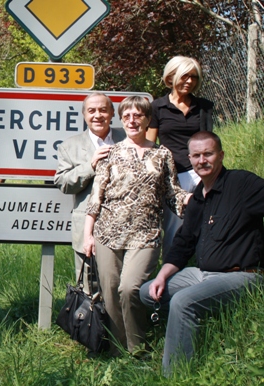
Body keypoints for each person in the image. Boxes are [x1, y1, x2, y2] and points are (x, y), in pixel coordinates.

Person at [140, 131, 264, 376]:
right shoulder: (198, 196)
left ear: (221, 155)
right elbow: (184, 243)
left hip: (242, 276)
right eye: (196, 155)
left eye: (208, 154)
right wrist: (162, 277)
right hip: (201, 273)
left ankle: (175, 374)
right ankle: (194, 329)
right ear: (190, 158)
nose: (202, 160)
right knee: (147, 292)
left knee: (183, 302)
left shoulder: (242, 184)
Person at [83, 96, 190, 355]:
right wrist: (88, 234)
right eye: (127, 116)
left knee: (130, 287)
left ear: (147, 120)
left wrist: (191, 202)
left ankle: (138, 347)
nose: (132, 120)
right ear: (122, 119)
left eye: (138, 115)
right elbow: (96, 197)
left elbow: (171, 193)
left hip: (146, 233)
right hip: (108, 232)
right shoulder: (111, 153)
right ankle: (117, 349)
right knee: (109, 290)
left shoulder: (162, 154)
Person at [55, 93, 125, 294]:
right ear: (84, 115)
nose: (98, 115)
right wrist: (91, 165)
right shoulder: (70, 146)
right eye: (92, 111)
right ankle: (91, 325)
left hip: (124, 226)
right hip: (87, 229)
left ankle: (118, 325)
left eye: (103, 110)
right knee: (90, 287)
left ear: (112, 113)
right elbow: (62, 183)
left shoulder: (127, 139)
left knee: (122, 286)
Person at [146, 56, 214, 256]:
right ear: (171, 77)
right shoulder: (157, 107)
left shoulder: (204, 107)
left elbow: (209, 140)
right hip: (173, 175)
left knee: (205, 223)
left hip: (202, 171)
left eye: (193, 77)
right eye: (184, 76)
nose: (189, 81)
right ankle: (170, 268)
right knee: (175, 227)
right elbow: (151, 145)